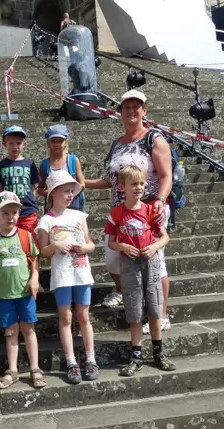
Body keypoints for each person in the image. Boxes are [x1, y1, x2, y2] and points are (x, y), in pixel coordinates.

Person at [86, 89, 173, 333]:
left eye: (137, 106)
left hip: (148, 209)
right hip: (121, 212)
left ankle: (161, 315)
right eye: (126, 107)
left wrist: (159, 200)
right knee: (112, 258)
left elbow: (166, 175)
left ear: (144, 110)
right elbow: (110, 180)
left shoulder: (154, 139)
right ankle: (125, 291)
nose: (132, 111)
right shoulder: (117, 143)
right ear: (120, 112)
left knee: (155, 263)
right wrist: (80, 183)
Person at [106, 166, 176, 376]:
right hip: (129, 263)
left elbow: (164, 236)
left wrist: (155, 247)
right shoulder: (117, 213)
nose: (138, 187)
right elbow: (111, 242)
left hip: (150, 261)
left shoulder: (151, 210)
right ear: (122, 187)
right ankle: (136, 355)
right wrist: (122, 247)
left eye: (141, 183)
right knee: (134, 310)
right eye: (133, 184)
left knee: (155, 308)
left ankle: (158, 353)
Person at [37, 170, 97, 384]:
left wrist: (85, 247)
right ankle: (71, 362)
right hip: (62, 275)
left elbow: (91, 244)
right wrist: (55, 245)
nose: (70, 195)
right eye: (65, 191)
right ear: (53, 193)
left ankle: (91, 359)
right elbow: (42, 251)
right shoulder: (45, 220)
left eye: (72, 191)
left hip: (81, 273)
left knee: (83, 315)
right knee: (66, 317)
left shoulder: (79, 216)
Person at [0, 191, 46, 390]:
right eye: (5, 213)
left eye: (14, 213)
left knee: (28, 329)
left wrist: (35, 280)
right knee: (11, 332)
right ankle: (12, 370)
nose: (10, 217)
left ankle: (35, 368)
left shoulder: (26, 236)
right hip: (4, 295)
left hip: (25, 293)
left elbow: (35, 262)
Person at [0, 126, 40, 242]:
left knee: (31, 241)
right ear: (4, 144)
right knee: (12, 241)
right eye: (11, 143)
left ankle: (32, 260)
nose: (15, 147)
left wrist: (32, 203)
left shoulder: (30, 163)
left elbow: (33, 186)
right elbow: (0, 188)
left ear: (24, 144)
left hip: (28, 210)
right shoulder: (0, 165)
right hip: (9, 211)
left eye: (18, 143)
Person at [38, 124, 86, 212]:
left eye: (60, 141)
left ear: (65, 143)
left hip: (73, 207)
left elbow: (82, 184)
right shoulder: (44, 164)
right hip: (53, 208)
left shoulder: (73, 160)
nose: (57, 144)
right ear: (48, 143)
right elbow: (40, 189)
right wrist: (53, 193)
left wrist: (70, 193)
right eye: (53, 141)